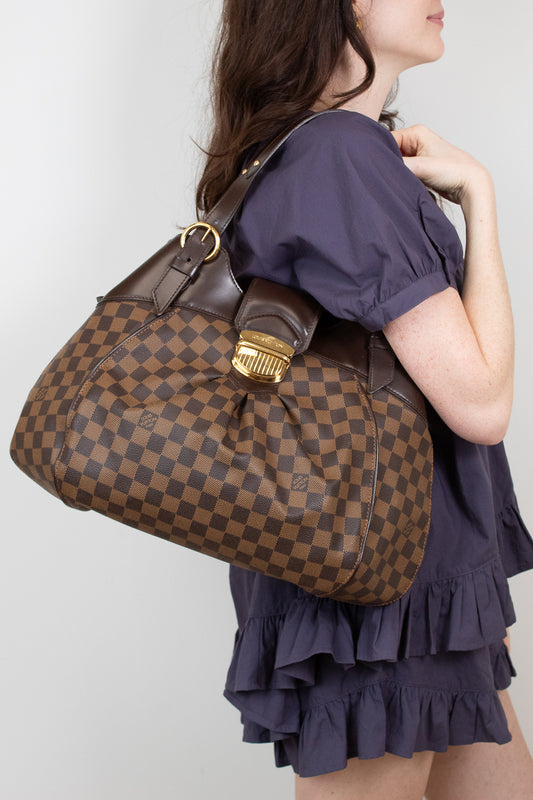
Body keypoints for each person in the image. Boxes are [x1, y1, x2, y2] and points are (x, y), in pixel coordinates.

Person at [195, 2, 533, 798]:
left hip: (404, 574)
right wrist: (479, 197)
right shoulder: (341, 154)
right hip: (378, 580)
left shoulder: (325, 151)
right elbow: (480, 402)